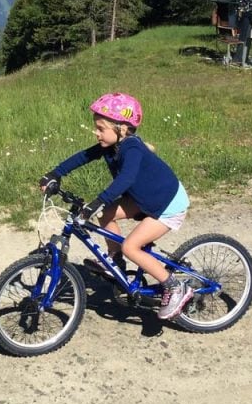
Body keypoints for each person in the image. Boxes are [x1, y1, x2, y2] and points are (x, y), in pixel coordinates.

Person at [39, 92, 193, 320]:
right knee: (106, 214)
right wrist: (54, 173)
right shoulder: (111, 146)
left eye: (101, 128)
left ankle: (174, 287)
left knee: (132, 247)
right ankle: (115, 261)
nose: (96, 132)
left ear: (121, 129)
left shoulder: (131, 148)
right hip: (144, 198)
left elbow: (126, 180)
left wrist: (97, 201)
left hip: (167, 204)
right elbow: (83, 156)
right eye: (96, 127)